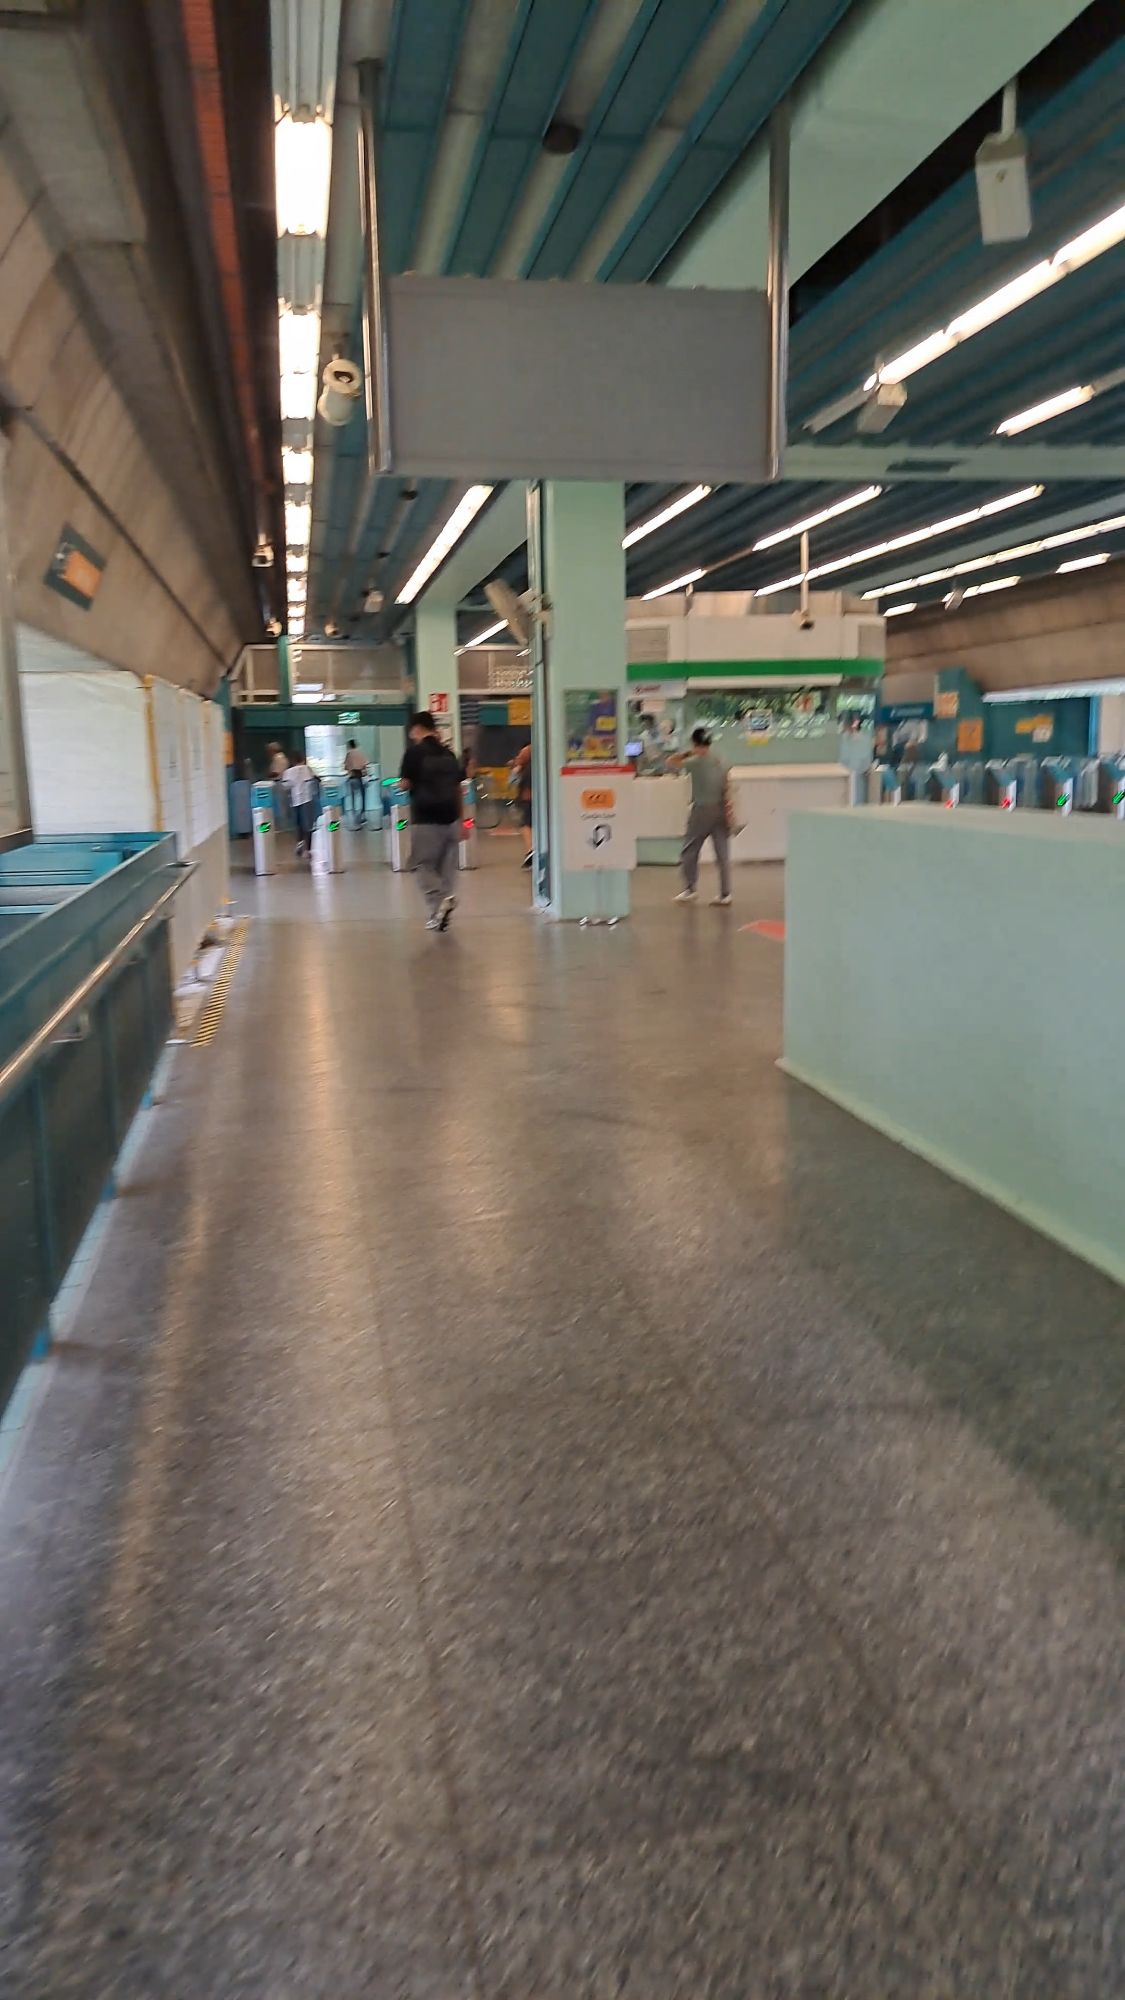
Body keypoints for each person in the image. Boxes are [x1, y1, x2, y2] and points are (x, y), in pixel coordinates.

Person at [399, 711, 463, 930]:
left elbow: (405, 784)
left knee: (423, 865)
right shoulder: (449, 754)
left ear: (417, 729)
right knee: (446, 870)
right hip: (451, 818)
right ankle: (438, 916)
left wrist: (402, 784)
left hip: (425, 819)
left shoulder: (413, 753)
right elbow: (458, 788)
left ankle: (442, 901)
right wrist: (462, 821)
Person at [669, 727, 732, 907]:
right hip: (721, 809)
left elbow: (671, 762)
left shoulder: (694, 762)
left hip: (702, 809)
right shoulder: (720, 760)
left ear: (694, 743)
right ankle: (725, 894)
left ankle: (690, 889)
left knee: (690, 849)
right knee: (722, 853)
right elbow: (727, 783)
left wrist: (689, 752)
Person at [282, 751, 317, 860]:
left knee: (298, 825)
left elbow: (285, 786)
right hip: (307, 800)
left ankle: (299, 845)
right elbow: (314, 780)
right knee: (308, 826)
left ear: (293, 761)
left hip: (295, 801)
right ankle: (307, 850)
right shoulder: (307, 769)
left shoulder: (288, 772)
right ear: (302, 759)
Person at [510, 742, 533, 867]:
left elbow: (514, 782)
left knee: (526, 825)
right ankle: (530, 850)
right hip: (528, 800)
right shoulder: (525, 768)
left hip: (528, 801)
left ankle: (530, 849)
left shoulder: (528, 769)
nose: (519, 756)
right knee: (527, 824)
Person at [343, 738, 368, 825]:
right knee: (362, 796)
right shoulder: (359, 753)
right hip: (359, 776)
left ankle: (354, 814)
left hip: (351, 777)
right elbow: (364, 765)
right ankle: (362, 815)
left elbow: (345, 767)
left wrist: (350, 768)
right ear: (356, 745)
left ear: (349, 746)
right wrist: (366, 774)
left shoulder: (348, 754)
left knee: (353, 796)